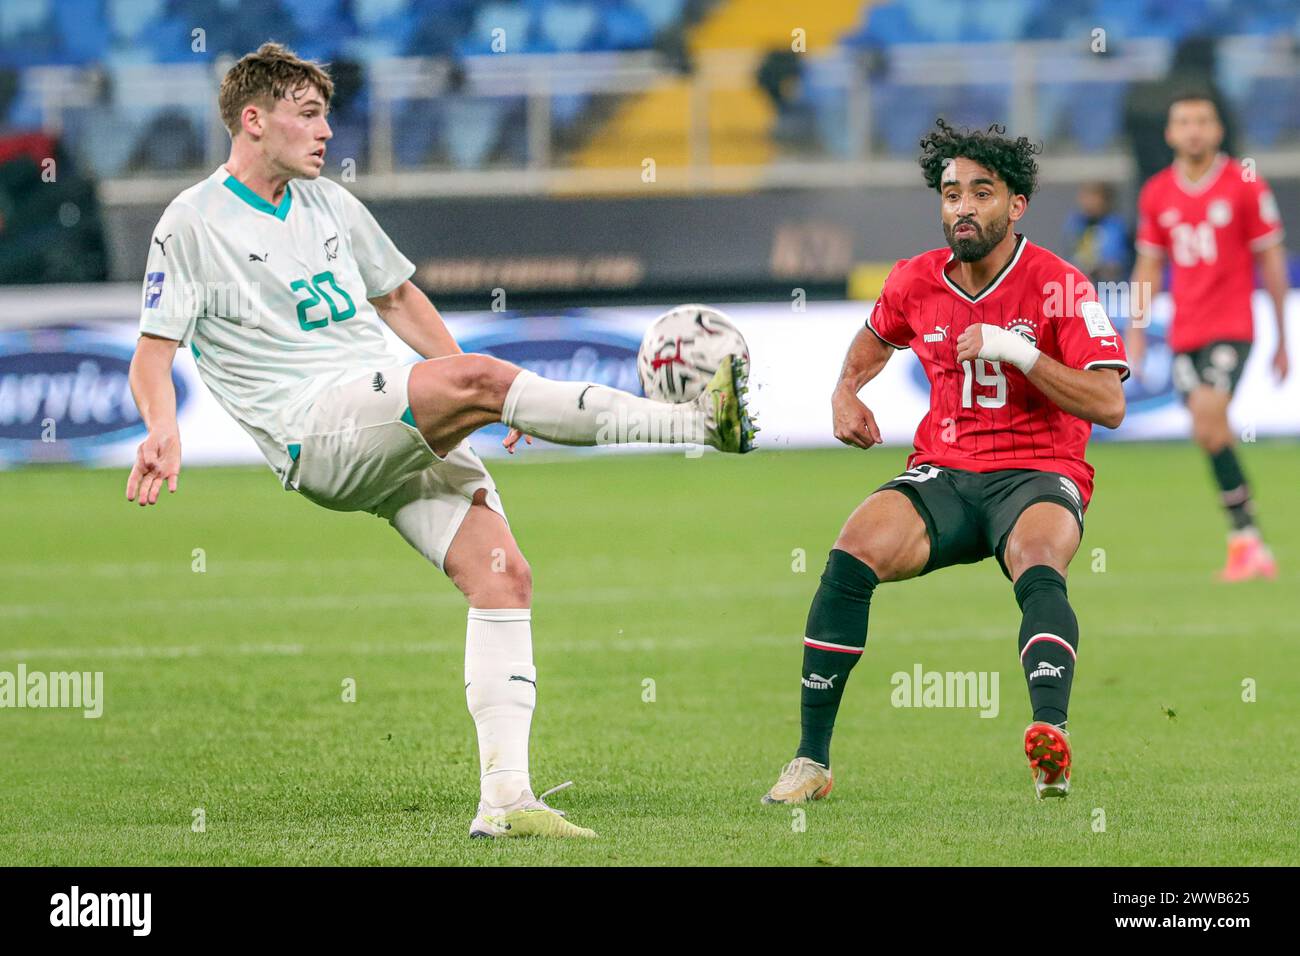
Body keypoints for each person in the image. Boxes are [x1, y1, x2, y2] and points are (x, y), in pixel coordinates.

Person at [126, 43, 754, 840]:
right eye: (309, 114)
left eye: (327, 114)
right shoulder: (192, 222)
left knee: (503, 576)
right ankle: (699, 424)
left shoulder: (330, 205)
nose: (326, 132)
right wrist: (161, 428)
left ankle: (506, 800)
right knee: (484, 380)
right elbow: (154, 352)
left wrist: (475, 396)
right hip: (315, 429)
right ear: (254, 120)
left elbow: (396, 295)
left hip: (383, 416)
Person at [762, 120, 1129, 804]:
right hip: (946, 472)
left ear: (1016, 205)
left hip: (1038, 471)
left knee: (1037, 558)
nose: (962, 206)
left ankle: (1051, 740)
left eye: (981, 193)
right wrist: (845, 391)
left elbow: (1108, 403)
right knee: (853, 549)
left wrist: (1018, 351)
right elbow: (874, 340)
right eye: (951, 192)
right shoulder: (915, 281)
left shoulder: (1061, 286)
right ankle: (810, 763)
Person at [1128, 93, 1288, 581]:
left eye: (1202, 121)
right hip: (1185, 330)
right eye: (1184, 122)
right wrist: (1136, 331)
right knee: (1208, 432)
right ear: (1170, 134)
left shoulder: (1244, 183)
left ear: (1217, 131)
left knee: (1208, 413)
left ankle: (1246, 541)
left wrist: (1283, 335)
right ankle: (1248, 538)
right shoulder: (1157, 192)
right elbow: (1148, 266)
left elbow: (1272, 259)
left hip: (1233, 326)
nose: (1193, 130)